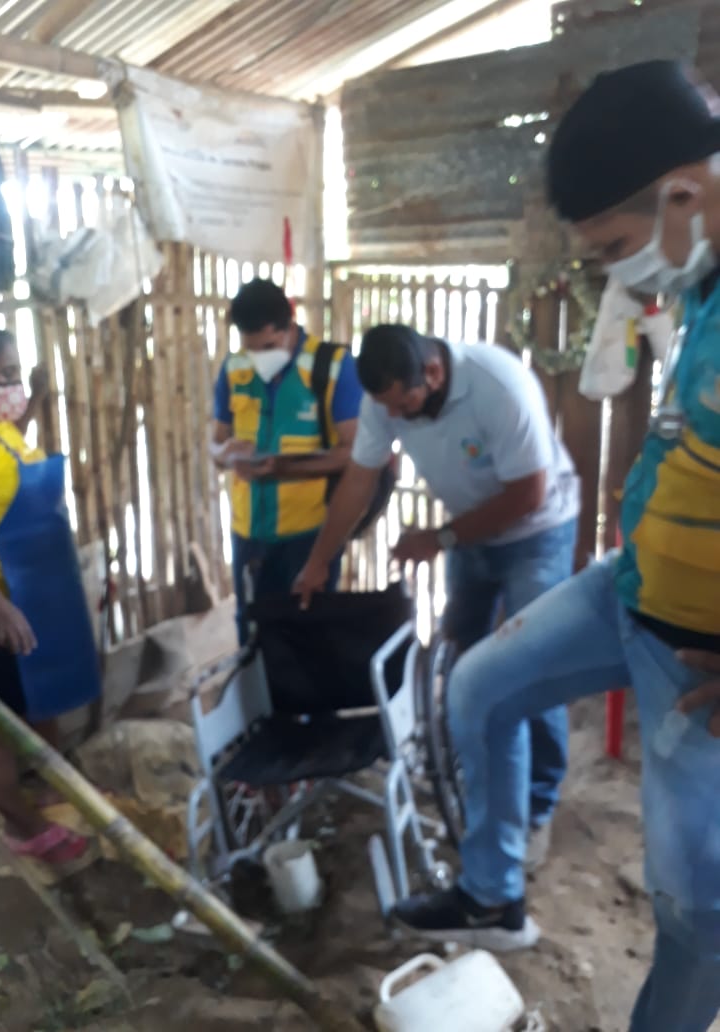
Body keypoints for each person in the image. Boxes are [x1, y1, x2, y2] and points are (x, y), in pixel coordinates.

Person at [386, 60, 720, 1032]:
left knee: (695, 904)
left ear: (684, 194)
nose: (615, 272)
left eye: (614, 245)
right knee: (477, 687)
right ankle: (493, 896)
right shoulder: (705, 281)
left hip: (701, 658)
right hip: (632, 588)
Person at [295, 323, 580, 865]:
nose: (394, 417)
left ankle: (536, 807)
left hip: (537, 533)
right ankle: (473, 773)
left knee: (533, 667)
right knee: (464, 655)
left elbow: (529, 494)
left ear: (432, 372)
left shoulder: (499, 386)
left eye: (403, 405)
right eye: (386, 407)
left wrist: (441, 539)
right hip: (470, 531)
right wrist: (319, 559)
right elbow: (359, 481)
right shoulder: (385, 401)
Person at [0, 322, 101, 865]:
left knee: (40, 701)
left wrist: (31, 400)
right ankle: (23, 827)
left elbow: (5, 468)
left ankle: (48, 790)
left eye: (17, 373)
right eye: (5, 375)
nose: (13, 385)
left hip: (30, 594)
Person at [211, 278, 363, 643]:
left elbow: (357, 454)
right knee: (252, 637)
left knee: (309, 639)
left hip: (309, 536)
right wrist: (224, 455)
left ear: (289, 323)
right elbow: (215, 443)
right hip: (249, 535)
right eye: (250, 348)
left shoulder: (333, 368)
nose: (258, 357)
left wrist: (285, 468)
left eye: (268, 346)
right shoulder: (234, 369)